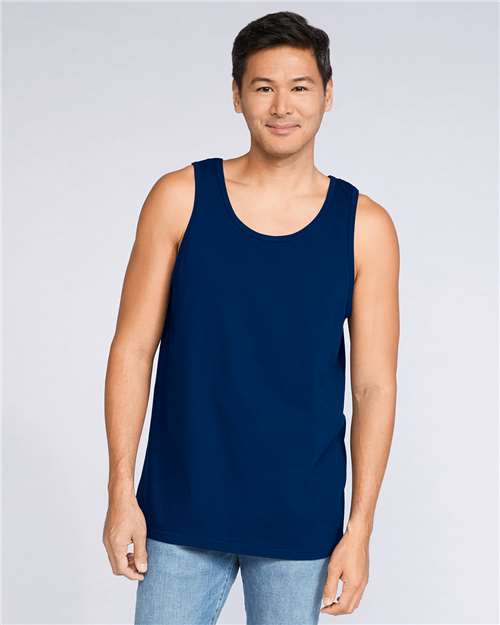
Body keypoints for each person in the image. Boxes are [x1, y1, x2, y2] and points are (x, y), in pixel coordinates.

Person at [102, 10, 399, 625]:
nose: (282, 106)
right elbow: (132, 348)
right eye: (263, 87)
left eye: (300, 87)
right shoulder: (180, 198)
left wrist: (360, 527)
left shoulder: (365, 227)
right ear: (237, 96)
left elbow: (373, 386)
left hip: (301, 517)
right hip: (180, 508)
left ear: (327, 94)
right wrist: (120, 490)